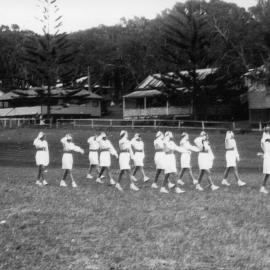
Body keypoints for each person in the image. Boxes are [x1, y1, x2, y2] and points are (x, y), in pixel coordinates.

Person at [260, 127, 270, 194]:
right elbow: (263, 145)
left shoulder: (267, 136)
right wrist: (264, 152)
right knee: (267, 173)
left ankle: (262, 187)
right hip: (268, 156)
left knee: (268, 173)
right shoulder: (266, 137)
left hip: (268, 155)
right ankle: (262, 187)